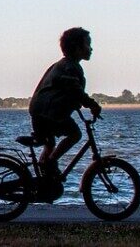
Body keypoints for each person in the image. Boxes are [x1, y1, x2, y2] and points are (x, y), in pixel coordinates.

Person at [28, 27, 102, 178]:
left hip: (39, 111)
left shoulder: (61, 65)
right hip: (49, 114)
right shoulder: (71, 67)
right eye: (88, 44)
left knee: (50, 144)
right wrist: (92, 104)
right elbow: (75, 89)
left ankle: (44, 178)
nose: (91, 48)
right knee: (75, 134)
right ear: (76, 48)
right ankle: (49, 163)